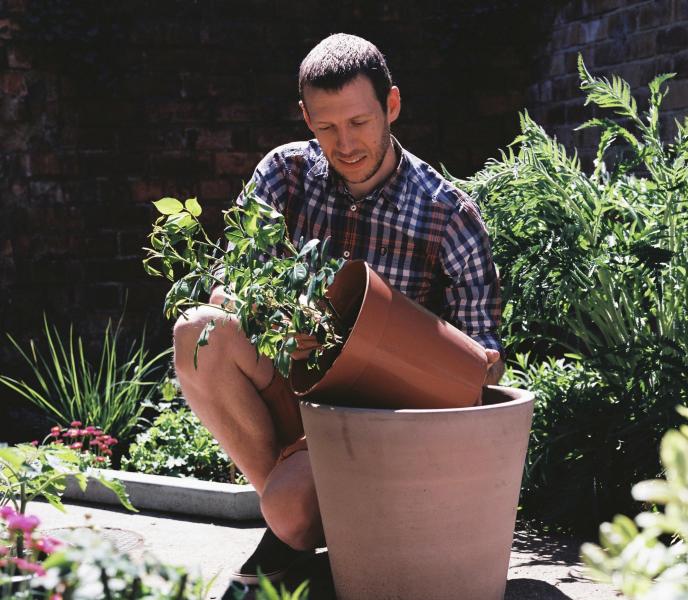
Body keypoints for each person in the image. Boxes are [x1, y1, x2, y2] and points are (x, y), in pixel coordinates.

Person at [172, 33, 504, 584]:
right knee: (199, 332)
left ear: (391, 106)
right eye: (326, 127)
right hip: (294, 400)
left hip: (378, 430)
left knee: (287, 509)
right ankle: (300, 522)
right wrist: (282, 323)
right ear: (305, 116)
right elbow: (229, 286)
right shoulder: (284, 174)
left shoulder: (447, 214)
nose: (344, 143)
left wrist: (422, 355)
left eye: (359, 122)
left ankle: (300, 521)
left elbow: (483, 362)